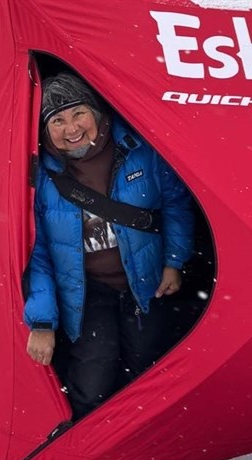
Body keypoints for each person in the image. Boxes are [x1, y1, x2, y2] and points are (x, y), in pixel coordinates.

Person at [23, 72, 194, 420]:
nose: (71, 128)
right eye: (57, 120)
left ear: (97, 112)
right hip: (86, 291)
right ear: (45, 130)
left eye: (78, 113)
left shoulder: (138, 150)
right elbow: (36, 252)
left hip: (145, 283)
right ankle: (95, 445)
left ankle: (145, 437)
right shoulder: (41, 176)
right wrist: (41, 322)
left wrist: (174, 262)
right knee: (93, 375)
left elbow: (175, 203)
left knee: (147, 366)